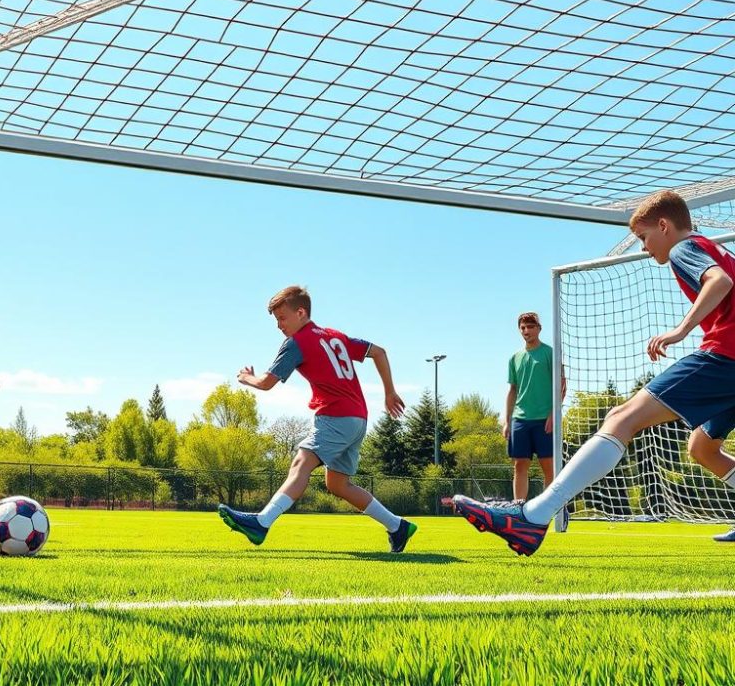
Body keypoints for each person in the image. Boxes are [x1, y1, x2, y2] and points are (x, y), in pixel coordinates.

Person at [455, 190, 735, 555]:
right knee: (702, 447)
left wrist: (680, 330)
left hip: (725, 356)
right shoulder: (717, 250)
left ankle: (533, 517)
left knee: (622, 417)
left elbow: (720, 283)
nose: (644, 248)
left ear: (664, 226)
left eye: (644, 237)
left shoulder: (686, 248)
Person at [217, 285, 416, 553]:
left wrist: (245, 378)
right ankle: (397, 526)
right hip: (358, 418)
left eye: (282, 318)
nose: (279, 326)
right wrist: (389, 392)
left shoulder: (297, 343)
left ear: (301, 313)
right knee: (337, 483)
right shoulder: (336, 336)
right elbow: (379, 351)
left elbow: (266, 383)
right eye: (276, 321)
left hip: (335, 417)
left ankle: (261, 523)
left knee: (302, 462)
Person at [505, 312, 564, 501]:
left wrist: (553, 414)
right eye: (523, 327)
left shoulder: (550, 353)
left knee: (548, 466)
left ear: (539, 328)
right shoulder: (515, 357)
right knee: (520, 465)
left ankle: (548, 508)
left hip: (544, 420)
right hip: (520, 419)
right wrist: (507, 421)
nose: (526, 331)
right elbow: (513, 390)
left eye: (530, 326)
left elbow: (562, 385)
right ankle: (518, 507)